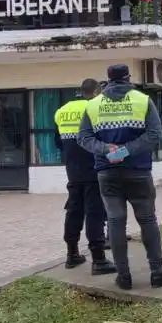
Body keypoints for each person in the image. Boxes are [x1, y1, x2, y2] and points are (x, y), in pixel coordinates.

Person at [78, 63, 162, 290]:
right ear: (128, 78)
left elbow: (84, 138)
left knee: (115, 221)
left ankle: (123, 277)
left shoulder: (93, 105)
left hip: (107, 173)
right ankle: (157, 273)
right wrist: (126, 151)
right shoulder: (143, 100)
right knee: (148, 220)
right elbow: (155, 134)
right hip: (138, 171)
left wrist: (106, 149)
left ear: (109, 79)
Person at [54, 79, 117, 275]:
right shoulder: (95, 108)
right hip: (93, 169)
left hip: (73, 171)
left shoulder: (62, 111)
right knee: (94, 213)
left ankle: (72, 254)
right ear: (97, 91)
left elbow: (58, 143)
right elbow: (105, 139)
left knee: (74, 211)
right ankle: (98, 259)